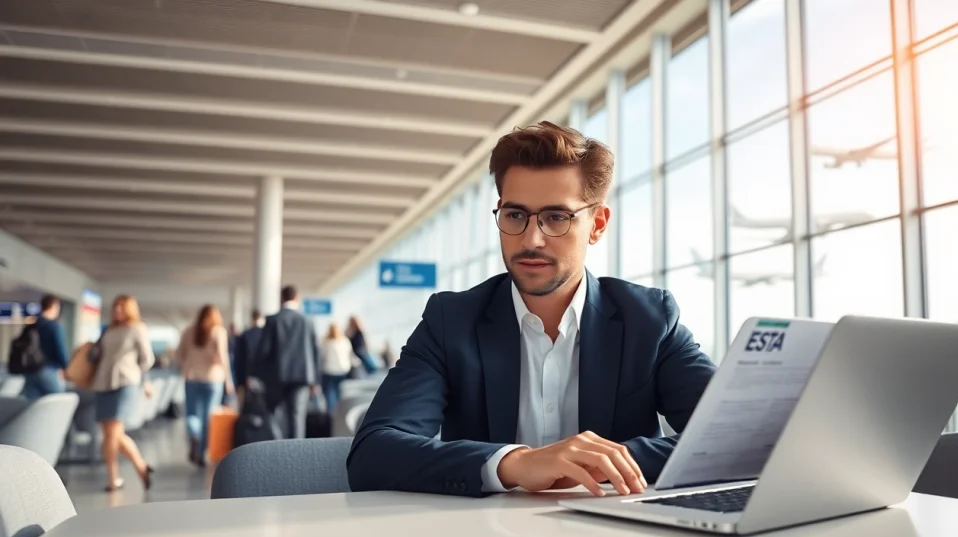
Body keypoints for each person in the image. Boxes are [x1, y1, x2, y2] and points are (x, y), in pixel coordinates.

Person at [348, 121, 717, 498]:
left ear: (598, 224)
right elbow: (372, 453)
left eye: (556, 217)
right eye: (515, 215)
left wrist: (601, 461)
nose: (531, 239)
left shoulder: (649, 319)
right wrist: (514, 463)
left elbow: (735, 436)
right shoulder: (451, 321)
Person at [91, 295, 155, 492]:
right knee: (111, 433)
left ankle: (113, 479)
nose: (117, 311)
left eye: (121, 307)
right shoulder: (109, 330)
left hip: (125, 383)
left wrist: (137, 375)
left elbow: (147, 359)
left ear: (129, 309)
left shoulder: (137, 328)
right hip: (103, 383)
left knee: (113, 433)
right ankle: (141, 465)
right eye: (115, 307)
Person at [253, 286, 320, 439]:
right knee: (297, 416)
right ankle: (296, 454)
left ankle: (277, 447)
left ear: (281, 298)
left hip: (276, 376)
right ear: (297, 298)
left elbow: (263, 350)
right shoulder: (307, 321)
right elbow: (316, 351)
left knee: (272, 414)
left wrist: (258, 375)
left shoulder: (272, 320)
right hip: (302, 377)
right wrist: (315, 380)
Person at [175, 305, 234, 466]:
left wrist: (190, 362)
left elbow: (179, 355)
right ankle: (201, 452)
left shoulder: (188, 331)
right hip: (212, 378)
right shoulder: (218, 331)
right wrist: (228, 380)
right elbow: (223, 357)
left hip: (191, 377)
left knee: (192, 414)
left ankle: (194, 436)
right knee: (208, 416)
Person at [21, 294, 70, 401]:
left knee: (32, 408)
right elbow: (60, 349)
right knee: (57, 405)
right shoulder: (54, 326)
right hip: (49, 370)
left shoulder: (31, 326)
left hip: (30, 371)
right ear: (54, 306)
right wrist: (66, 367)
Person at [321, 323, 358, 414]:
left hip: (329, 370)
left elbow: (322, 356)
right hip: (343, 370)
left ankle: (331, 414)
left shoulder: (326, 342)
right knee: (341, 392)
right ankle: (340, 412)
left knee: (330, 393)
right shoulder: (345, 341)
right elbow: (350, 356)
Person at [232, 309, 265, 402]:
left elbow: (238, 360)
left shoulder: (244, 335)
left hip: (246, 378)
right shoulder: (267, 335)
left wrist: (238, 382)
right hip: (263, 378)